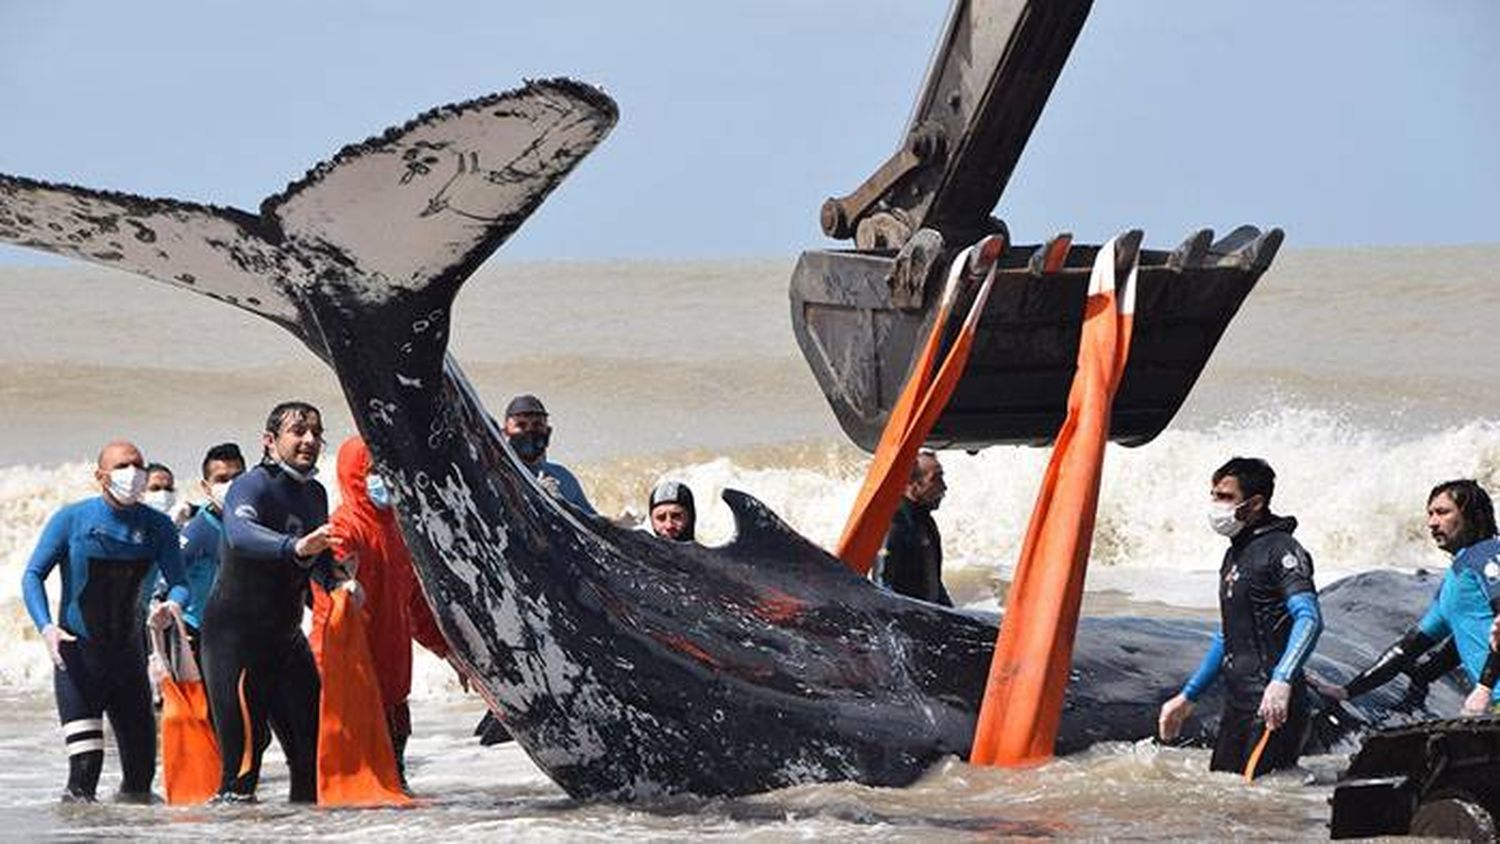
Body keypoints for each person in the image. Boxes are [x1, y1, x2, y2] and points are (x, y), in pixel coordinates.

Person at [21, 440, 189, 801]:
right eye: (124, 466)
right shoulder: (72, 519)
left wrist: (169, 607)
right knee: (84, 776)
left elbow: (179, 583)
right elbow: (33, 574)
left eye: (139, 465)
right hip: (78, 661)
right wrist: (47, 628)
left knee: (141, 779)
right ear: (101, 476)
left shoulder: (159, 527)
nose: (134, 474)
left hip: (128, 663)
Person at [199, 402, 347, 802]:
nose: (309, 440)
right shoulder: (252, 485)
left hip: (285, 640)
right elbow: (239, 533)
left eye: (316, 432)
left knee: (310, 759)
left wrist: (337, 579)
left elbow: (315, 558)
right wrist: (295, 545)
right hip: (236, 643)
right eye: (298, 431)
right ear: (270, 440)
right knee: (242, 771)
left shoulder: (315, 493)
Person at [1158, 457, 1323, 778]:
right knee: (1225, 798)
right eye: (1214, 495)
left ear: (1256, 503)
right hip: (1238, 705)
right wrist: (1188, 696)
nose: (1215, 505)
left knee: (1260, 808)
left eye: (1225, 497)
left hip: (1272, 705)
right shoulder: (1235, 553)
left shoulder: (1282, 550)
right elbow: (1229, 635)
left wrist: (1282, 679)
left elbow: (1309, 619)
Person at [310, 436, 454, 790]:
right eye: (374, 470)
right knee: (357, 787)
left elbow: (417, 603)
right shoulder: (343, 529)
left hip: (392, 682)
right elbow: (328, 594)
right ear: (353, 473)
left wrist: (447, 651)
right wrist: (343, 584)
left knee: (393, 785)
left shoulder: (400, 529)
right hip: (352, 677)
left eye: (387, 468)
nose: (384, 478)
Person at [1312, 480, 1500, 716]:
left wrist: (1483, 688)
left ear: (1472, 516)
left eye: (1443, 512)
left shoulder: (1488, 554)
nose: (1432, 523)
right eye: (1430, 514)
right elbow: (1409, 648)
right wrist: (1346, 691)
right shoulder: (1455, 579)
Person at [150, 443, 246, 667]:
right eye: (222, 480)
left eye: (238, 478)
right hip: (197, 634)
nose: (231, 486)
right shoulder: (198, 532)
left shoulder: (250, 518)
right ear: (206, 486)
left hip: (239, 632)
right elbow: (163, 584)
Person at [873, 450, 952, 606]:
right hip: (906, 620)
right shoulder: (894, 524)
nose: (944, 487)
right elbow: (882, 586)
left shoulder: (927, 523)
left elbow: (935, 583)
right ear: (912, 483)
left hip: (930, 617)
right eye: (936, 479)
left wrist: (955, 616)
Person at [502, 394, 597, 516]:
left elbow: (593, 525)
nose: (529, 431)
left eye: (537, 425)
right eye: (521, 425)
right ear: (504, 433)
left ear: (548, 432)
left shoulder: (563, 477)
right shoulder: (499, 474)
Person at [142, 462, 193, 527]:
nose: (163, 494)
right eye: (155, 489)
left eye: (168, 489)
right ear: (141, 491)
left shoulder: (182, 519)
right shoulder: (133, 521)